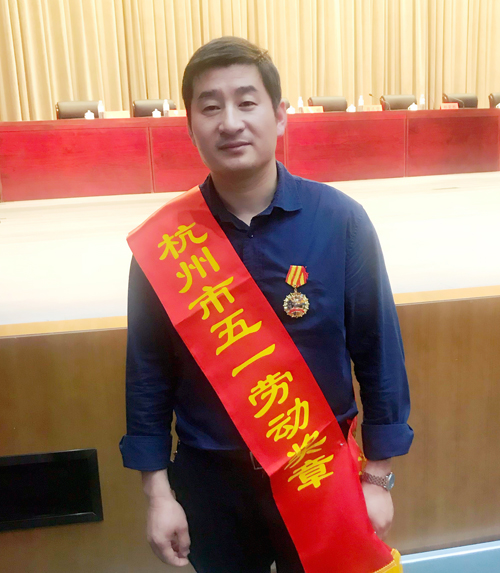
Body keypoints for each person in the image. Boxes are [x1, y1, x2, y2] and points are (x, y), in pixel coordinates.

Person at [120, 36, 413, 573]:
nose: (230, 122)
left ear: (279, 117)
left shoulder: (340, 221)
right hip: (211, 485)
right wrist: (158, 494)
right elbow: (148, 376)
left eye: (247, 102)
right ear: (190, 127)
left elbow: (380, 356)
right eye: (211, 107)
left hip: (320, 474)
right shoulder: (166, 246)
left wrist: (378, 478)